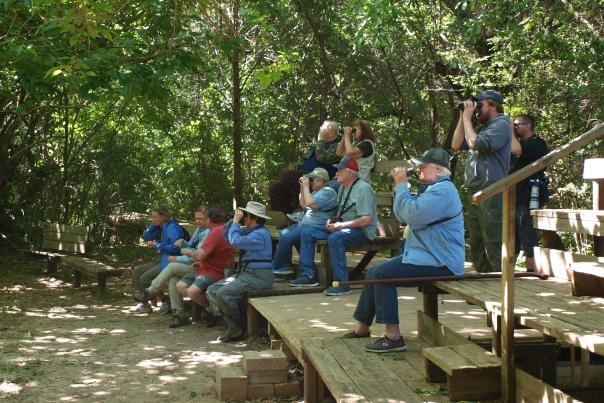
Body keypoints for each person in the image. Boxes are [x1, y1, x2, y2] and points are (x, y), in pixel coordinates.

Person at [344, 148, 465, 353]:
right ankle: (362, 328)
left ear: (437, 169)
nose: (418, 169)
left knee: (382, 274)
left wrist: (401, 185)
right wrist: (402, 188)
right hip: (425, 257)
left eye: (423, 166)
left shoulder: (443, 190)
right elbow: (403, 215)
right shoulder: (432, 189)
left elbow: (412, 215)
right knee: (375, 272)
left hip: (441, 262)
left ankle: (393, 337)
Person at [288, 156, 378, 295]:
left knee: (335, 238)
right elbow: (339, 211)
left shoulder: (363, 189)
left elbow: (366, 219)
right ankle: (309, 275)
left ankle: (343, 283)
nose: (336, 173)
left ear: (349, 172)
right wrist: (332, 221)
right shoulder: (342, 188)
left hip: (361, 230)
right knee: (306, 230)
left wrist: (341, 225)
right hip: (344, 227)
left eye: (339, 170)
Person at [451, 90, 512, 273]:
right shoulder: (480, 128)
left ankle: (498, 284)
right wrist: (463, 116)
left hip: (491, 191)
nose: (476, 110)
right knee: (477, 240)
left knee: (493, 240)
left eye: (480, 105)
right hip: (475, 192)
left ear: (494, 106)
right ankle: (483, 279)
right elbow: (456, 144)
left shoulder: (501, 124)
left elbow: (476, 144)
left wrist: (469, 119)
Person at [133, 206, 214, 327]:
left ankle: (149, 292)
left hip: (201, 267)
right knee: (173, 279)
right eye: (196, 218)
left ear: (208, 219)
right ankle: (179, 314)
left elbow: (197, 255)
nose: (197, 221)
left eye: (201, 219)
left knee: (171, 267)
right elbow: (191, 246)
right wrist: (184, 242)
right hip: (191, 264)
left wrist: (176, 257)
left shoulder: (207, 232)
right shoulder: (199, 230)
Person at [206, 201, 273, 342]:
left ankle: (239, 326)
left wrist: (236, 222)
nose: (243, 217)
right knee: (212, 290)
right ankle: (233, 325)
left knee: (223, 294)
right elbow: (227, 236)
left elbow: (235, 241)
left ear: (253, 217)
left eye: (245, 215)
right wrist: (232, 220)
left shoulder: (260, 234)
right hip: (245, 274)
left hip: (259, 277)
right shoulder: (250, 231)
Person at [166, 206, 235, 328]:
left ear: (210, 219)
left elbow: (200, 255)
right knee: (180, 286)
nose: (202, 221)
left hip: (216, 271)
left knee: (192, 291)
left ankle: (213, 312)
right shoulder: (219, 228)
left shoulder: (215, 232)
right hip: (203, 267)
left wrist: (189, 253)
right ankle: (209, 309)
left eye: (204, 218)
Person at [272, 167, 338, 275]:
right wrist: (303, 187)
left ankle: (279, 266)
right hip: (307, 225)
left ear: (320, 181)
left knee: (286, 236)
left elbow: (311, 204)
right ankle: (284, 265)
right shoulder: (317, 192)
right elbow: (303, 204)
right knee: (283, 234)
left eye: (313, 180)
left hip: (317, 227)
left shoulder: (328, 191)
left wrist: (306, 187)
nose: (311, 182)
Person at [269, 121, 341, 213]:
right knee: (274, 189)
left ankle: (297, 202)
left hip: (319, 178)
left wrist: (320, 140)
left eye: (324, 128)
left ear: (332, 132)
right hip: (305, 175)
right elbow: (306, 160)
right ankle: (289, 213)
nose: (321, 130)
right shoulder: (320, 145)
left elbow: (322, 159)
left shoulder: (338, 145)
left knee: (287, 175)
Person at [510, 114, 549, 271]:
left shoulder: (537, 144)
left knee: (527, 233)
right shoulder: (519, 143)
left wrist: (509, 132)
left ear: (528, 126)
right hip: (514, 196)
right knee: (513, 235)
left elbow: (517, 150)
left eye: (517, 124)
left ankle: (531, 270)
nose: (515, 127)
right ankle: (509, 270)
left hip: (528, 196)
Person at [130, 206, 185, 314]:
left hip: (170, 261)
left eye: (155, 217)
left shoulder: (171, 227)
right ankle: (145, 304)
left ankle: (165, 301)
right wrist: (156, 224)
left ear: (164, 216)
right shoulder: (162, 226)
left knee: (144, 279)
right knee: (137, 272)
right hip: (161, 259)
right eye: (152, 217)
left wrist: (158, 245)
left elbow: (175, 248)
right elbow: (146, 235)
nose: (153, 219)